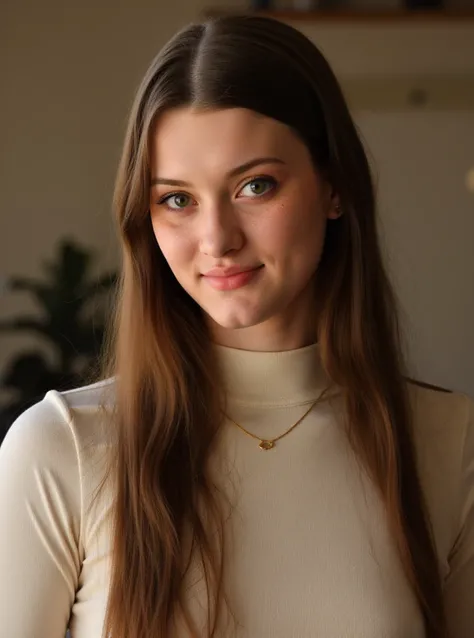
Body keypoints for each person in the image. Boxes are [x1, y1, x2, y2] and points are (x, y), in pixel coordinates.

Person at [0, 13, 472, 638]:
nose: (217, 239)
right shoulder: (61, 451)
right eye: (177, 199)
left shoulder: (451, 445)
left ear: (333, 188)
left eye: (255, 185)